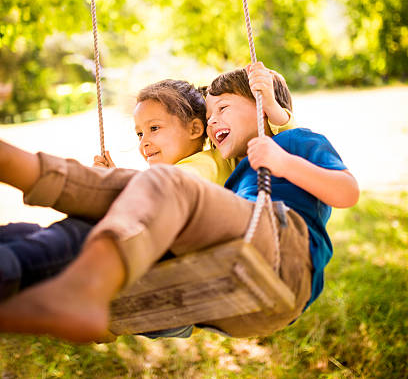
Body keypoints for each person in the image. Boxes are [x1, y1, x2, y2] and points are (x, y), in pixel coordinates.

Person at [0, 64, 359, 343]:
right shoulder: (234, 171)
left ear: (264, 106)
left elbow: (346, 192)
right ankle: (18, 245)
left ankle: (86, 283)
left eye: (223, 109)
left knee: (164, 184)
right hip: (228, 286)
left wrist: (280, 145)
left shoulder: (292, 142)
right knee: (124, 193)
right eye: (210, 114)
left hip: (285, 256)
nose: (213, 119)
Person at [0, 65, 292, 303]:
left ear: (195, 129)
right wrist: (115, 177)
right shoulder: (159, 176)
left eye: (154, 128)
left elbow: (279, 134)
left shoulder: (222, 159)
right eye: (139, 134)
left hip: (157, 251)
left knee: (73, 239)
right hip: (137, 234)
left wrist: (270, 104)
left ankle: (12, 264)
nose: (145, 141)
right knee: (37, 233)